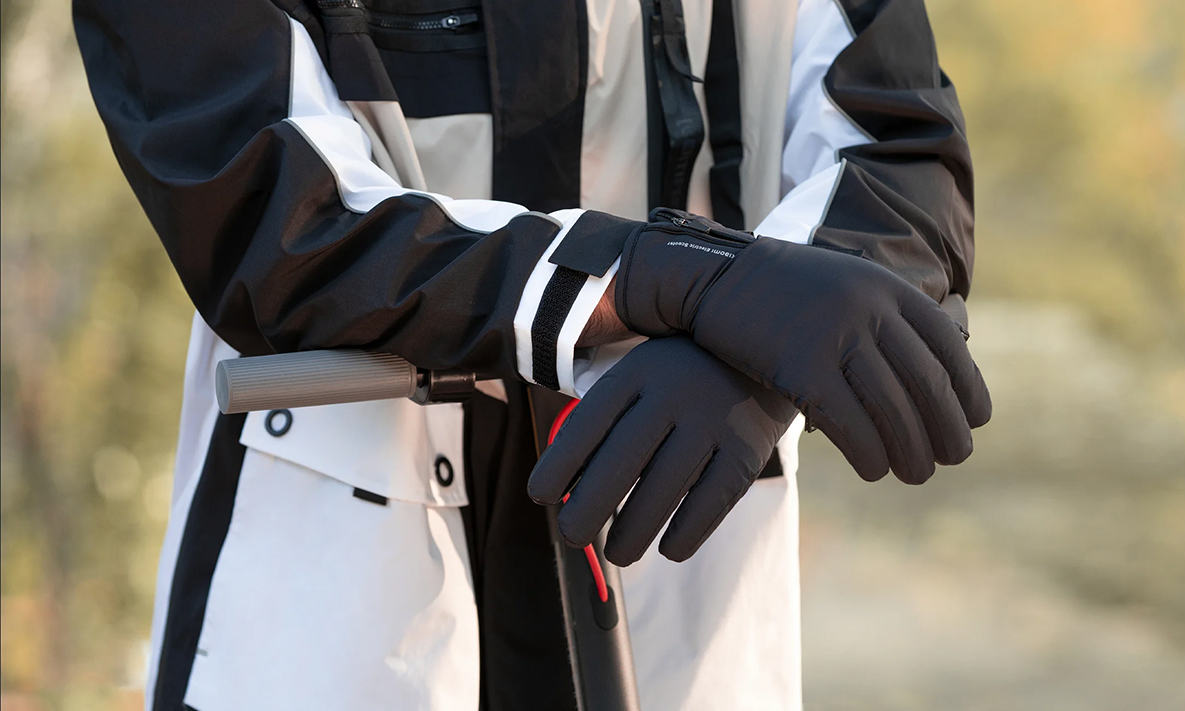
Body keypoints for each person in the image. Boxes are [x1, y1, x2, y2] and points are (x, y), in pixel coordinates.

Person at [75, 0, 991, 707]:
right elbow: (271, 213)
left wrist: (755, 348)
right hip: (341, 577)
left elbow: (901, 150)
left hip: (689, 544)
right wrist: (669, 279)